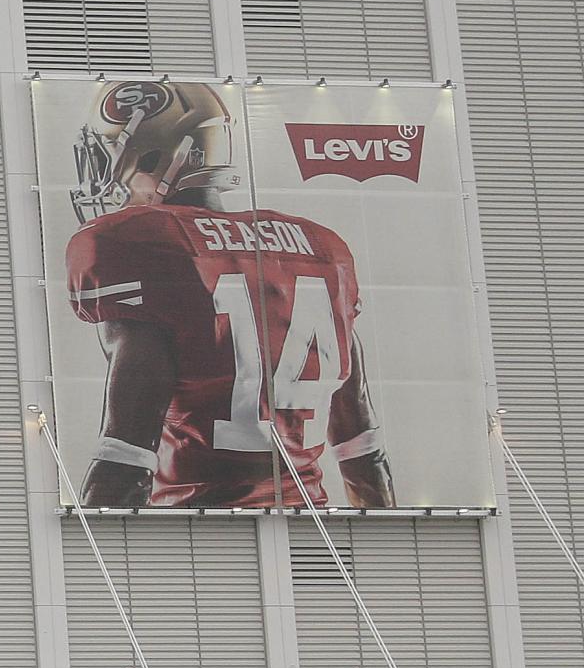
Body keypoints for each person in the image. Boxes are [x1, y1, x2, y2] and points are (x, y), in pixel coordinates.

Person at [63, 77, 393, 509]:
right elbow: (362, 449)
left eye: (112, 156)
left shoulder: (139, 243)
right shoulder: (320, 247)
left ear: (161, 155)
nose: (106, 176)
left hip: (197, 530)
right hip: (307, 517)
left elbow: (125, 460)